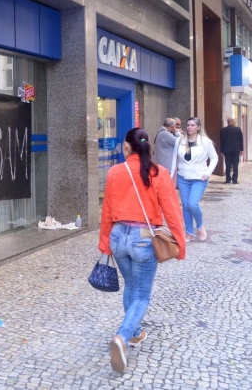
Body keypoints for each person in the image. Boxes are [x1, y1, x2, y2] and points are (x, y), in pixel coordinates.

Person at [99, 128, 186, 373]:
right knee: (141, 293)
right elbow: (172, 211)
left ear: (127, 146)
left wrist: (105, 242)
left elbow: (106, 210)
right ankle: (122, 337)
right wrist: (180, 243)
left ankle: (136, 333)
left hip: (118, 237)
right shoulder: (159, 173)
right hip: (143, 239)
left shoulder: (115, 172)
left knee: (131, 286)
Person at [176, 117, 218, 242]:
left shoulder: (205, 141)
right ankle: (189, 232)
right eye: (188, 125)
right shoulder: (180, 140)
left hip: (199, 177)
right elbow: (175, 158)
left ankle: (200, 226)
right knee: (185, 206)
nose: (189, 127)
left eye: (192, 125)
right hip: (183, 176)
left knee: (192, 203)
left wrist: (207, 173)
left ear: (198, 127)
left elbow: (214, 158)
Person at [220, 117, 244, 184]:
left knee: (227, 164)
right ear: (233, 122)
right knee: (235, 164)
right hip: (236, 149)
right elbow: (241, 140)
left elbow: (221, 141)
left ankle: (228, 179)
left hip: (227, 150)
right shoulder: (238, 129)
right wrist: (241, 149)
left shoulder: (223, 130)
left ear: (227, 122)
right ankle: (235, 180)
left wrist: (221, 150)